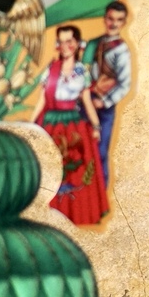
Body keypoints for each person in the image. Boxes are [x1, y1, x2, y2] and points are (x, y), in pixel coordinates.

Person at [38, 24, 107, 226]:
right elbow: (42, 101)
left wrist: (96, 126)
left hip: (74, 126)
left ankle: (76, 215)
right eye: (61, 42)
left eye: (69, 41)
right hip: (50, 124)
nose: (65, 46)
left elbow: (86, 101)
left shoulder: (82, 71)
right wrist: (32, 125)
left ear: (77, 44)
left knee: (76, 171)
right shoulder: (51, 69)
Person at [87, 0, 133, 188]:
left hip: (104, 108)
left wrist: (104, 102)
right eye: (110, 19)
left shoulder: (121, 50)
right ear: (105, 19)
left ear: (124, 22)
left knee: (100, 151)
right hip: (87, 101)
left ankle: (101, 196)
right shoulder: (94, 43)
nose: (113, 24)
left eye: (119, 20)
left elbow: (125, 84)